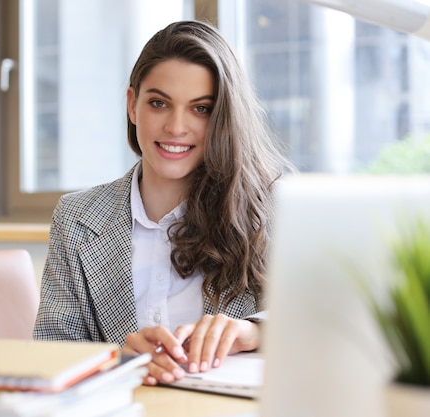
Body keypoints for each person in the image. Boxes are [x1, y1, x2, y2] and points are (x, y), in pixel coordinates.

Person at [33, 20, 292, 386]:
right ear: (132, 106)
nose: (175, 127)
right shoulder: (76, 217)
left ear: (223, 118)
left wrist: (255, 332)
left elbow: (329, 323)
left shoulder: (273, 211)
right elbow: (51, 349)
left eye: (200, 109)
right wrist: (119, 361)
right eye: (159, 103)